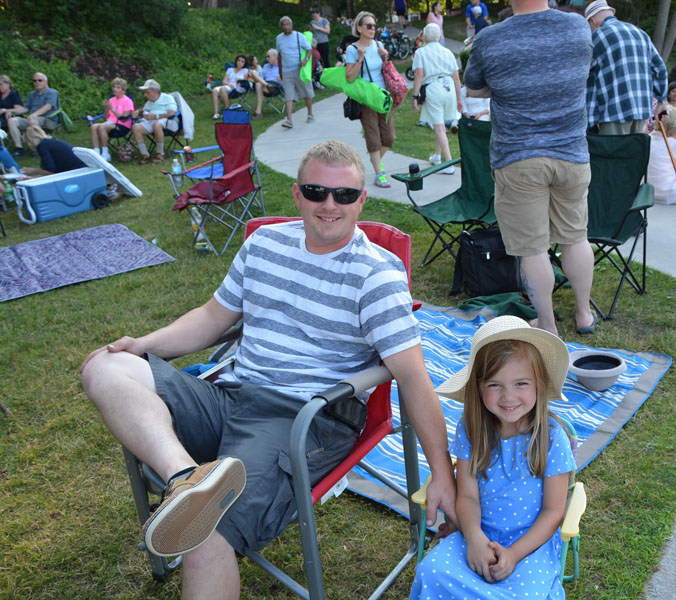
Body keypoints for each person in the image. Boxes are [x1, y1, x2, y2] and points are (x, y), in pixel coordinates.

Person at [80, 139, 458, 600]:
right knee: (105, 366)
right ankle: (186, 479)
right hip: (231, 394)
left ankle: (198, 499)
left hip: (302, 419)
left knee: (204, 530)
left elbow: (413, 378)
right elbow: (212, 318)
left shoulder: (376, 274)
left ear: (361, 200)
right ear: (297, 194)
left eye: (343, 194)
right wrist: (142, 346)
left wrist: (443, 473)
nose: (329, 205)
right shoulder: (264, 243)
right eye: (316, 191)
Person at [409, 315, 576, 598]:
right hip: (477, 532)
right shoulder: (471, 429)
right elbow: (468, 497)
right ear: (478, 387)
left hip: (530, 545)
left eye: (521, 383)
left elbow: (552, 512)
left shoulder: (552, 438)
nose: (508, 396)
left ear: (538, 384)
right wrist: (474, 538)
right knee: (431, 572)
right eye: (495, 385)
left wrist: (514, 554)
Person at [466, 0, 596, 336]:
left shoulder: (489, 38)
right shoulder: (578, 26)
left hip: (518, 157)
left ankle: (548, 325)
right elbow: (583, 71)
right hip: (572, 154)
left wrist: (507, 83)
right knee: (575, 237)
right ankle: (584, 315)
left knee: (532, 249)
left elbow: (474, 88)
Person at [585, 0, 667, 135]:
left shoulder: (598, 36)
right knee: (633, 148)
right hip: (641, 110)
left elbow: (582, 71)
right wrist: (661, 101)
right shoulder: (640, 34)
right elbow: (660, 69)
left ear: (593, 21)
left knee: (611, 149)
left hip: (614, 112)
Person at [344, 11, 395, 189]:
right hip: (366, 98)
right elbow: (350, 77)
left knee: (389, 138)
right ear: (359, 28)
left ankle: (372, 163)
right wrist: (360, 58)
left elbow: (386, 70)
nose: (373, 29)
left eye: (374, 26)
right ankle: (379, 174)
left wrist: (385, 57)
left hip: (382, 97)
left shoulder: (379, 45)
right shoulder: (352, 49)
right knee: (373, 138)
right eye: (369, 26)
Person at [413, 23, 464, 173]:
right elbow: (456, 78)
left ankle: (448, 164)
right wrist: (459, 99)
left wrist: (415, 96)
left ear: (424, 37)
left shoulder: (421, 52)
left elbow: (419, 75)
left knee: (440, 127)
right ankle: (437, 156)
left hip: (433, 88)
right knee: (438, 123)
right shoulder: (448, 52)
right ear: (440, 36)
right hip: (449, 88)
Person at [7, 72, 59, 157]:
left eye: (40, 80)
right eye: (35, 81)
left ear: (46, 82)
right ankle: (19, 149)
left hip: (48, 119)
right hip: (32, 119)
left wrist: (34, 114)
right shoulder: (32, 94)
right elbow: (25, 109)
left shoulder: (52, 92)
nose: (37, 82)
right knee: (12, 121)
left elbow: (48, 107)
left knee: (32, 119)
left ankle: (40, 148)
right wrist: (11, 110)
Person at [276, 15, 315, 128]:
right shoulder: (279, 38)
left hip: (299, 69)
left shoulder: (299, 36)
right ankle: (289, 120)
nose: (286, 27)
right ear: (281, 27)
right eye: (283, 25)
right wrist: (280, 72)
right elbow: (279, 55)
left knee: (306, 92)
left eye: (287, 24)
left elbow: (309, 49)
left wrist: (305, 59)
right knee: (288, 96)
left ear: (291, 25)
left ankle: (310, 113)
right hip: (286, 70)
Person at [131, 79, 178, 165]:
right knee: (135, 127)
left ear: (155, 91)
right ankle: (145, 155)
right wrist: (138, 111)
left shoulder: (167, 98)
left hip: (167, 121)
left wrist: (156, 116)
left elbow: (172, 112)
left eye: (147, 92)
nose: (145, 95)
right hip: (150, 121)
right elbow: (144, 110)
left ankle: (160, 154)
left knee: (157, 124)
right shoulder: (149, 102)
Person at [89, 78, 134, 161]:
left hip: (122, 125)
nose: (115, 89)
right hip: (110, 123)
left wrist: (112, 108)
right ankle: (96, 152)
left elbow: (123, 119)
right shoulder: (111, 100)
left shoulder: (128, 101)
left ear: (123, 90)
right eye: (114, 87)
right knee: (93, 127)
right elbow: (106, 118)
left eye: (118, 87)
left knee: (102, 127)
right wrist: (106, 109)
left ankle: (105, 153)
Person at [20, 125, 86, 177]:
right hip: (80, 167)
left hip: (76, 171)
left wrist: (33, 171)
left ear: (30, 140)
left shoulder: (42, 146)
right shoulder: (49, 143)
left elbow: (49, 171)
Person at [211, 54, 248, 119]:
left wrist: (241, 79)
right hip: (228, 86)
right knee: (214, 90)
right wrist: (228, 84)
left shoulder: (245, 70)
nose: (240, 62)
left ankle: (227, 111)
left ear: (244, 63)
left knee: (223, 89)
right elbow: (224, 81)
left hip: (237, 88)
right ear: (236, 61)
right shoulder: (230, 70)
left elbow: (247, 80)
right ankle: (216, 113)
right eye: (239, 60)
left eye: (242, 61)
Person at [0, 75, 26, 156]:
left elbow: (20, 109)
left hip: (8, 118)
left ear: (8, 84)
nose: (0, 87)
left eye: (1, 84)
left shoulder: (13, 95)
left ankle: (19, 149)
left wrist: (6, 110)